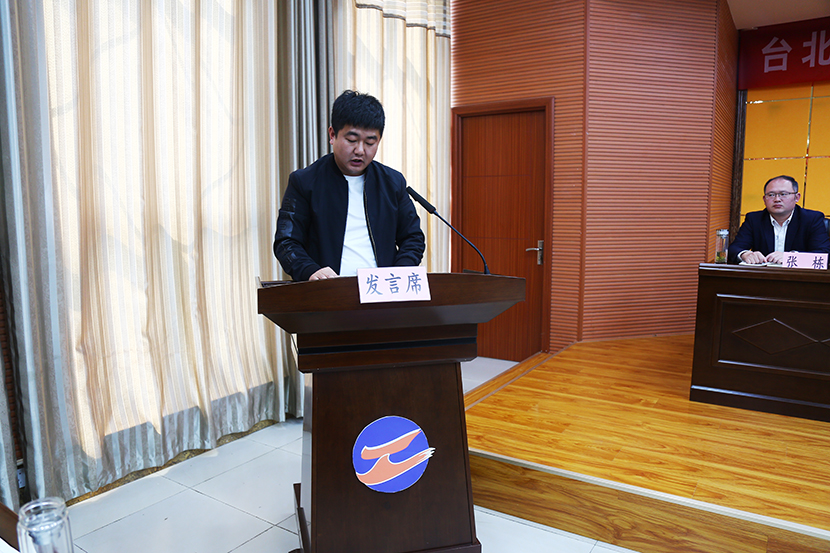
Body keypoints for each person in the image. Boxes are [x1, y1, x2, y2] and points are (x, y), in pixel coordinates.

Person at [274, 90, 425, 281]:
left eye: (370, 142)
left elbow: (413, 238)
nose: (360, 150)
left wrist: (397, 274)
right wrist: (310, 271)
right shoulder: (305, 182)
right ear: (332, 135)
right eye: (352, 140)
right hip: (328, 291)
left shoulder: (393, 182)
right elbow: (286, 242)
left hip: (382, 291)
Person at [728, 175, 830, 264]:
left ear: (797, 197)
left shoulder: (812, 219)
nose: (777, 199)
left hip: (799, 277)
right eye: (771, 195)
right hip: (764, 277)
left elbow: (824, 254)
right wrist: (745, 254)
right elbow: (734, 248)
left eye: (783, 194)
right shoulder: (754, 219)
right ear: (764, 199)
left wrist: (791, 257)